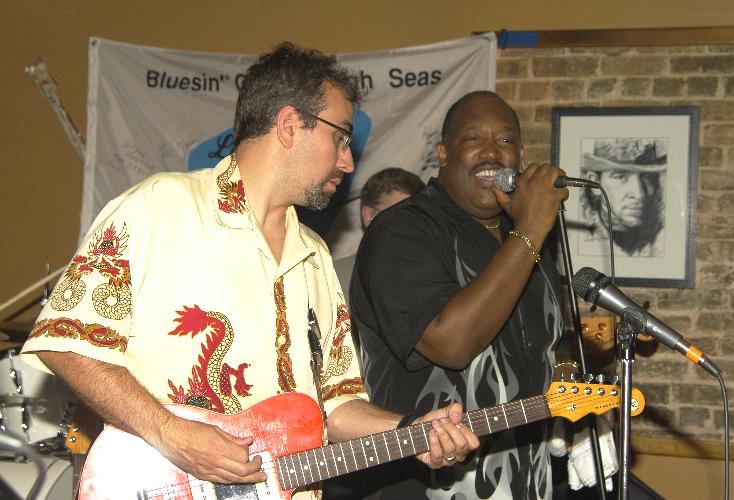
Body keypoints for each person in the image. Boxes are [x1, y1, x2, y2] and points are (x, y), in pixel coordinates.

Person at [19, 43, 478, 498]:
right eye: (341, 138)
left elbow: (335, 407)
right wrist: (171, 434)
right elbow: (64, 343)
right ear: (289, 125)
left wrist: (413, 431)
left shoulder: (315, 257)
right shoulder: (159, 207)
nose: (349, 161)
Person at [349, 90, 569, 499]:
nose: (492, 152)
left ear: (520, 156)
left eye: (505, 140)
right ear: (444, 152)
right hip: (428, 485)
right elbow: (450, 343)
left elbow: (549, 341)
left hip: (530, 480)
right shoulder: (401, 231)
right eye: (473, 138)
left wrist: (568, 370)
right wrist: (532, 229)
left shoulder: (525, 238)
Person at [333, 167, 425, 305]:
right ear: (369, 215)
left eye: (419, 218)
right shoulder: (331, 279)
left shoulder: (436, 278)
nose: (411, 227)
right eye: (400, 215)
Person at [579, 138, 667, 257]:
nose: (639, 194)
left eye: (646, 177)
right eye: (621, 177)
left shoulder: (661, 237)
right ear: (594, 183)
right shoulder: (583, 238)